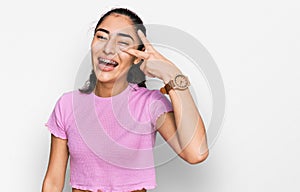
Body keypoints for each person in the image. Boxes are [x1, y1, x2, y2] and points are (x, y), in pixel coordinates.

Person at [42, 7, 209, 192]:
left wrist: (171, 73)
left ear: (138, 56)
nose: (108, 48)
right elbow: (53, 182)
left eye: (122, 43)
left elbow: (196, 152)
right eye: (101, 37)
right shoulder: (67, 105)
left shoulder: (150, 104)